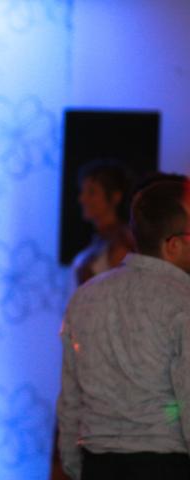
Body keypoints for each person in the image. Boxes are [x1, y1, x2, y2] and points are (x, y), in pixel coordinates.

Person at [57, 178, 190, 480]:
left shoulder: (86, 296)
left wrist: (73, 463)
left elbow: (71, 397)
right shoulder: (183, 301)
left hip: (97, 463)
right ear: (173, 245)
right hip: (167, 465)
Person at [71, 160, 135, 288]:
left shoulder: (122, 242)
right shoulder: (100, 240)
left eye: (92, 192)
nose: (82, 198)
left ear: (116, 197)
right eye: (83, 191)